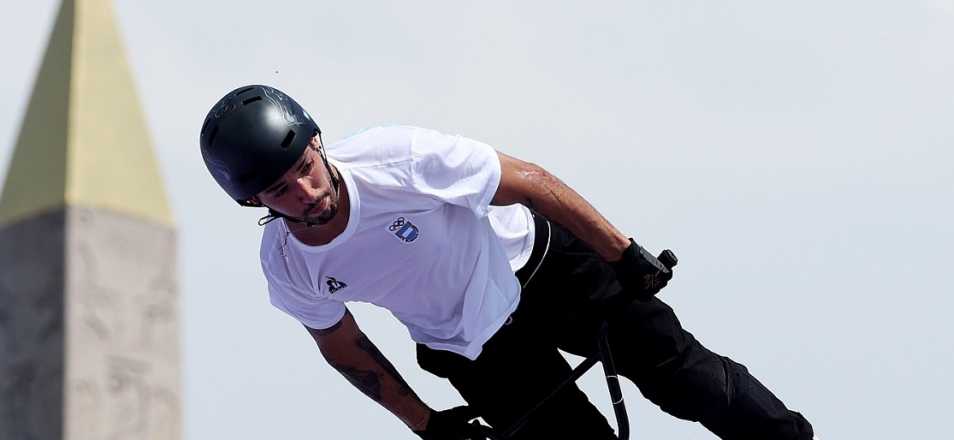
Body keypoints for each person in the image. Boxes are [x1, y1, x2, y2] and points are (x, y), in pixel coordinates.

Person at [199, 84, 816, 440]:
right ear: (254, 200)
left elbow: (528, 181)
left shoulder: (395, 157)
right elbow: (344, 347)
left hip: (545, 270)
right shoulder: (287, 264)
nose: (305, 192)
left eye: (305, 168)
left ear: (316, 143)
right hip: (472, 345)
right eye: (281, 190)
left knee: (682, 374)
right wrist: (426, 425)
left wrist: (622, 253)